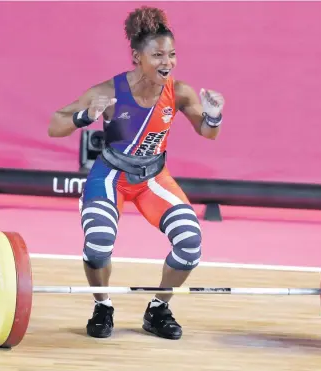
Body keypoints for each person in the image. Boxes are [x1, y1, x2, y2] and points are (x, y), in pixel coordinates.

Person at [48, 6, 225, 340]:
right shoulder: (109, 92)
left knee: (190, 243)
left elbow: (208, 131)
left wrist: (213, 116)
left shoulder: (180, 91)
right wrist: (85, 116)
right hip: (111, 176)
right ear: (137, 57)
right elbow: (55, 124)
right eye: (157, 55)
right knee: (98, 245)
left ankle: (158, 308)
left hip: (153, 180)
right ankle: (102, 306)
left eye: (172, 55)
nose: (167, 62)